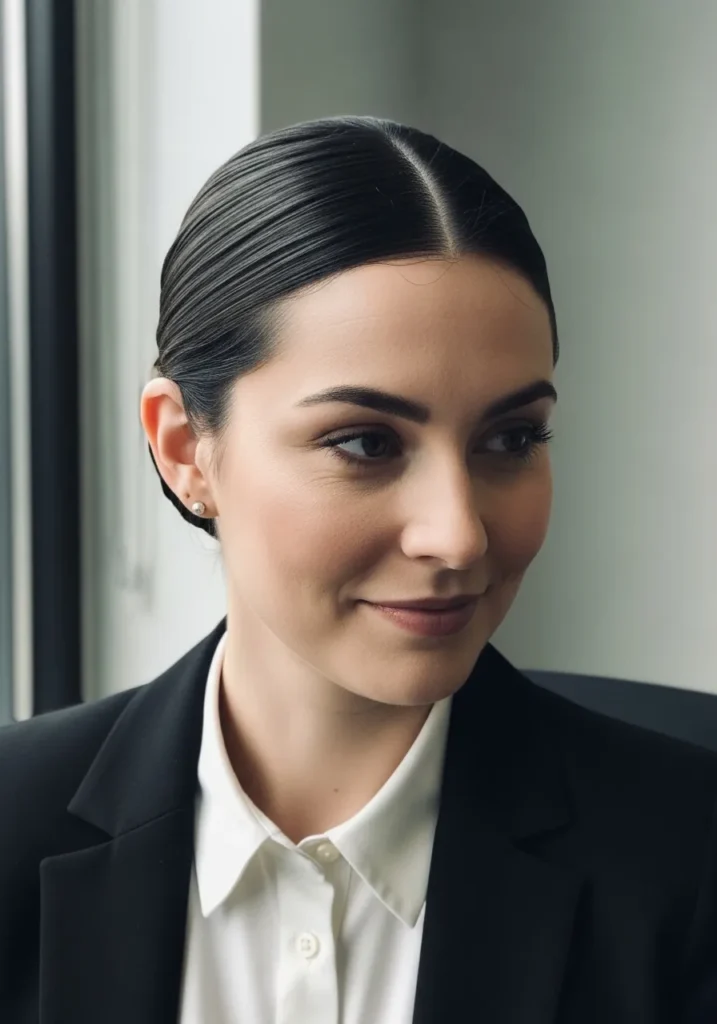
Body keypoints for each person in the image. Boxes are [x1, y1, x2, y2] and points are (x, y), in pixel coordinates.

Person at [1, 115, 716, 1024]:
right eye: (365, 442)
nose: (456, 536)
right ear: (185, 449)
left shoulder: (689, 863)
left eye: (511, 438)